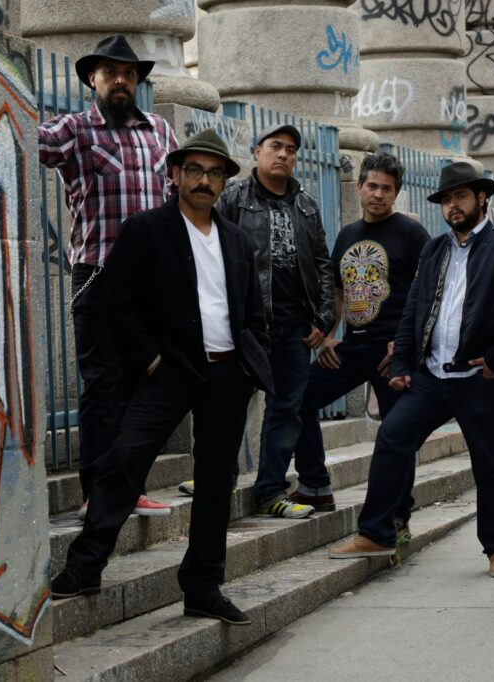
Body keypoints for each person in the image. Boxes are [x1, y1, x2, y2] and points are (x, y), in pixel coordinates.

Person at [49, 130, 273, 626]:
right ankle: (85, 567)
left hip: (227, 372)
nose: (204, 181)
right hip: (169, 370)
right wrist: (149, 360)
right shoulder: (145, 230)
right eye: (194, 170)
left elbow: (253, 310)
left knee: (217, 481)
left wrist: (252, 366)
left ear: (223, 182)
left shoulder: (236, 240)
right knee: (125, 459)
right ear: (175, 175)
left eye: (214, 173)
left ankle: (203, 587)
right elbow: (118, 301)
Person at [329, 162, 494, 579]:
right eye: (447, 200)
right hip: (432, 377)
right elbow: (414, 307)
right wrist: (401, 362)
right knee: (393, 437)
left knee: (490, 463)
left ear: (481, 198)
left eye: (461, 197)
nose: (453, 206)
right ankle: (377, 532)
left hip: (479, 378)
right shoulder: (436, 249)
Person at [39, 35, 177, 516]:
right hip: (98, 276)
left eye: (129, 74)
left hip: (152, 284)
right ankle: (97, 494)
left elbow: (178, 197)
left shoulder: (160, 131)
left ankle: (129, 488)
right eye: (111, 72)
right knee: (102, 387)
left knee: (143, 390)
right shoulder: (76, 130)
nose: (121, 80)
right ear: (92, 79)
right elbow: (23, 138)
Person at [179, 123, 336, 519]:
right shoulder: (233, 197)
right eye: (275, 146)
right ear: (257, 152)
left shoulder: (306, 204)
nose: (283, 154)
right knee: (228, 400)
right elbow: (209, 251)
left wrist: (324, 317)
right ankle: (218, 474)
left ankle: (270, 490)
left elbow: (322, 261)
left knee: (287, 407)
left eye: (291, 149)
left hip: (296, 325)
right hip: (248, 323)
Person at [265, 153, 429, 523]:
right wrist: (327, 336)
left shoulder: (411, 233)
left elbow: (428, 292)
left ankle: (397, 517)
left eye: (386, 188)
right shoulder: (348, 234)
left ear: (396, 193)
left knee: (396, 433)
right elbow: (339, 292)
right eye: (372, 186)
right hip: (352, 348)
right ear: (359, 187)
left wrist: (405, 345)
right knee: (299, 399)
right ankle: (315, 486)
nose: (378, 194)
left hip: (392, 354)